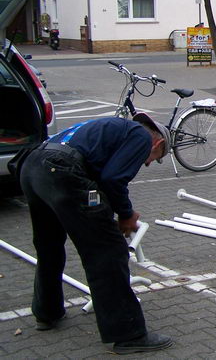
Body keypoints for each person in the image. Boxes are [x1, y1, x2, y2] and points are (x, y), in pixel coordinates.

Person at [18, 113, 173, 354]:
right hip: (61, 170)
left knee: (49, 246)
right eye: (153, 159)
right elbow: (113, 179)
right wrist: (126, 215)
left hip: (32, 167)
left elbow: (99, 177)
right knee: (108, 252)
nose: (148, 164)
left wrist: (107, 211)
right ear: (158, 143)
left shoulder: (108, 127)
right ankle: (127, 334)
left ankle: (46, 313)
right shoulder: (141, 136)